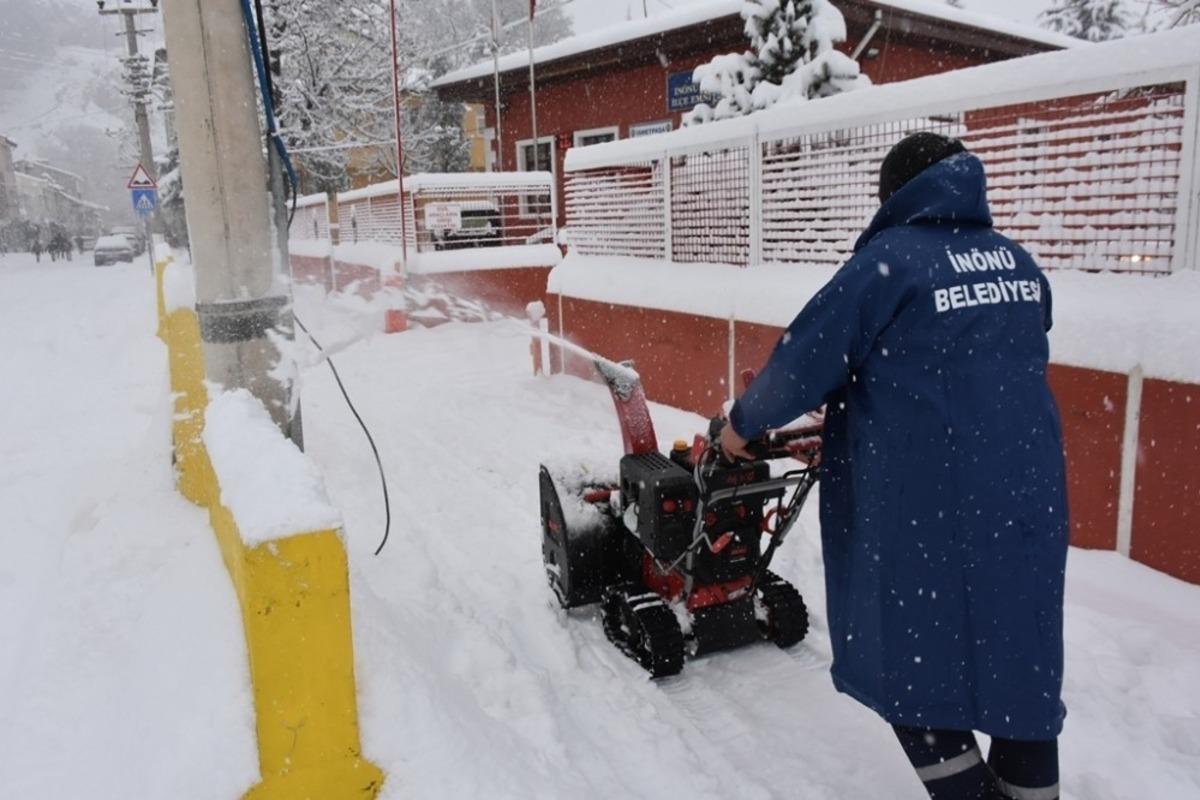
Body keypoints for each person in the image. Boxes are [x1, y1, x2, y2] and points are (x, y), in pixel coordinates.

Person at [721, 133, 1068, 800]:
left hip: (929, 506)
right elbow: (971, 362)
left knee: (914, 669)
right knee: (1017, 665)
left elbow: (801, 364)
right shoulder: (1020, 265)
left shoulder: (891, 262)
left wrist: (739, 429)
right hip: (1027, 500)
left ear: (896, 196)